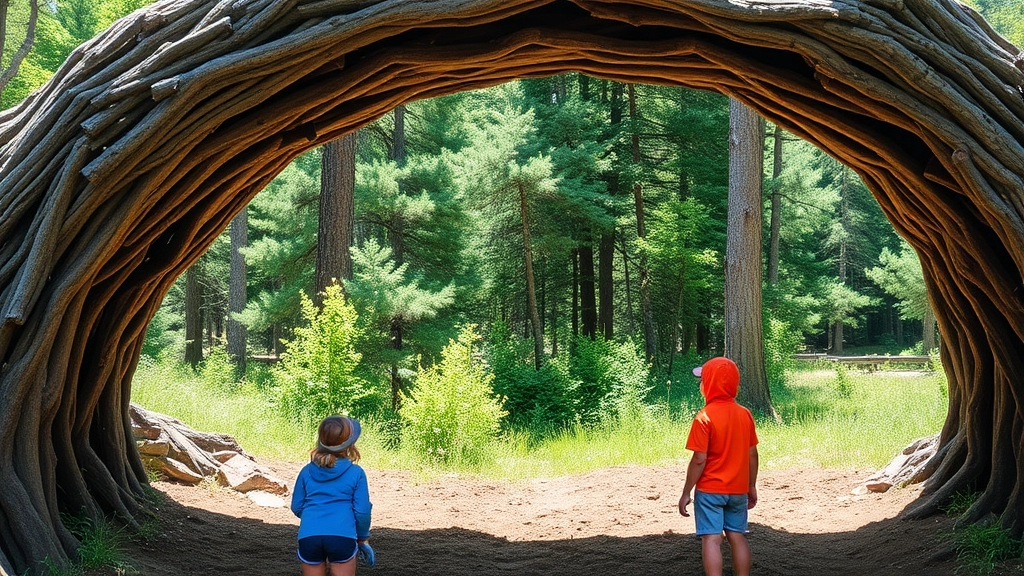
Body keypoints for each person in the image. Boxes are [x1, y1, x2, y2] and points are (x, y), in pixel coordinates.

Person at [678, 357, 759, 576]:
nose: (700, 384)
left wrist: (687, 492)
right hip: (738, 489)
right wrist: (751, 485)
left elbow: (699, 459)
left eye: (702, 380)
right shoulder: (745, 415)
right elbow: (752, 453)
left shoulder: (704, 417)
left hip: (710, 491)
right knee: (737, 536)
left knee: (712, 539)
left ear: (709, 385)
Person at [291, 415, 374, 576]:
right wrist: (362, 538)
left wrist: (312, 516)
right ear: (349, 443)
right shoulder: (356, 473)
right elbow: (362, 511)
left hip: (309, 536)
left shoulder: (306, 471)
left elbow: (297, 506)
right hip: (342, 536)